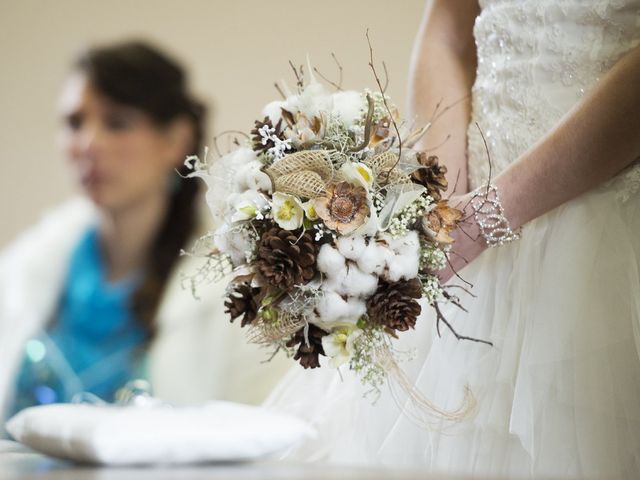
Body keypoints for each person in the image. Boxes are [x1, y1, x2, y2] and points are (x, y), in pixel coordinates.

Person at [265, 1, 640, 478]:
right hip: (466, 230)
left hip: (603, 232)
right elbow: (447, 29)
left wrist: (493, 212)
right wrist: (437, 194)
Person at [0, 40, 290, 428]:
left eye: (117, 122)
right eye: (74, 123)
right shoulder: (25, 271)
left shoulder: (235, 293)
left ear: (176, 139)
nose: (88, 143)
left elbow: (260, 436)